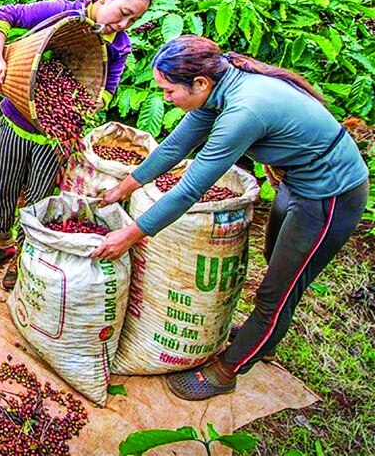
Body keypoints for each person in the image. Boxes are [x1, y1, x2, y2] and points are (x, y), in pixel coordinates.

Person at [94, 35, 369, 401]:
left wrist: (130, 235)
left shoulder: (242, 111)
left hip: (329, 196)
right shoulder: (216, 89)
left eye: (169, 91)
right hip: (294, 183)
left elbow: (191, 188)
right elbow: (176, 146)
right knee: (277, 267)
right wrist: (123, 187)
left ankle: (228, 370)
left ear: (200, 84)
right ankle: (265, 337)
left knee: (277, 290)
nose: (165, 99)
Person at [0, 0, 156, 290]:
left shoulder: (119, 47)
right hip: (16, 121)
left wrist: (91, 102)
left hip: (54, 138)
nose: (124, 25)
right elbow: (2, 15)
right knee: (3, 190)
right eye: (123, 13)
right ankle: (4, 244)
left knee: (37, 201)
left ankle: (23, 257)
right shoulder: (65, 12)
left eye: (133, 20)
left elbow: (107, 89)